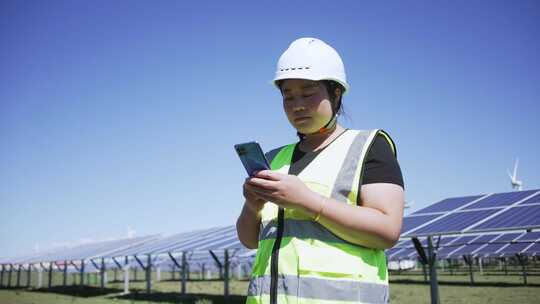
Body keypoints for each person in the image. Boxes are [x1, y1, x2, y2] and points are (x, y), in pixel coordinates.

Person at [236, 37, 404, 304]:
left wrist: (306, 200)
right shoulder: (275, 159)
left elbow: (387, 231)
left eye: (308, 93)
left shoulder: (369, 146)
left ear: (336, 93)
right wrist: (251, 206)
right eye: (287, 96)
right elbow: (250, 241)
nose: (297, 105)